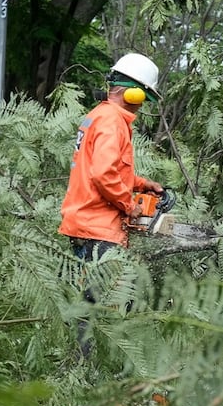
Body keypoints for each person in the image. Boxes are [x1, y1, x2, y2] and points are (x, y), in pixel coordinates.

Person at [59, 52, 164, 354]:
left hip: (86, 221)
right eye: (143, 96)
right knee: (106, 301)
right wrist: (128, 205)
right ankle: (91, 366)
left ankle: (89, 363)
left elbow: (108, 167)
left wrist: (143, 184)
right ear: (133, 92)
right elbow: (104, 174)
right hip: (97, 225)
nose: (142, 103)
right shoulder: (112, 123)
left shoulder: (100, 116)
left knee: (96, 298)